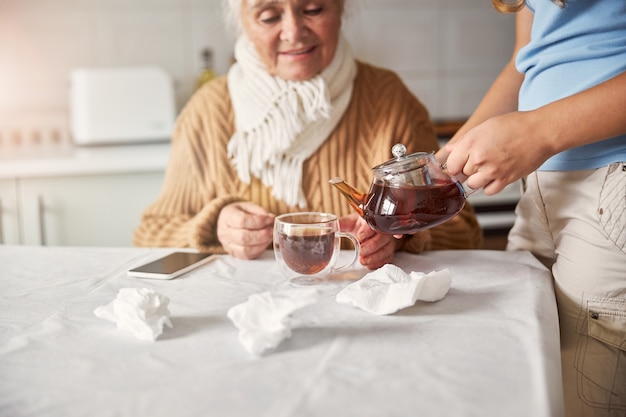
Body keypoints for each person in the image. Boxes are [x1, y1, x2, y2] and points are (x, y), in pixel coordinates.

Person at [133, 0, 483, 269]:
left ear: (341, 7)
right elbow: (149, 235)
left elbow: (465, 232)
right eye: (269, 16)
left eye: (313, 9)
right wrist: (214, 228)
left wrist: (403, 237)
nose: (294, 32)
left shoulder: (388, 99)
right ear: (243, 23)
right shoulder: (207, 111)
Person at [437, 1, 626, 416]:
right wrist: (442, 168)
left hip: (614, 184)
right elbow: (525, 60)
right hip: (540, 186)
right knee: (524, 377)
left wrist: (537, 131)